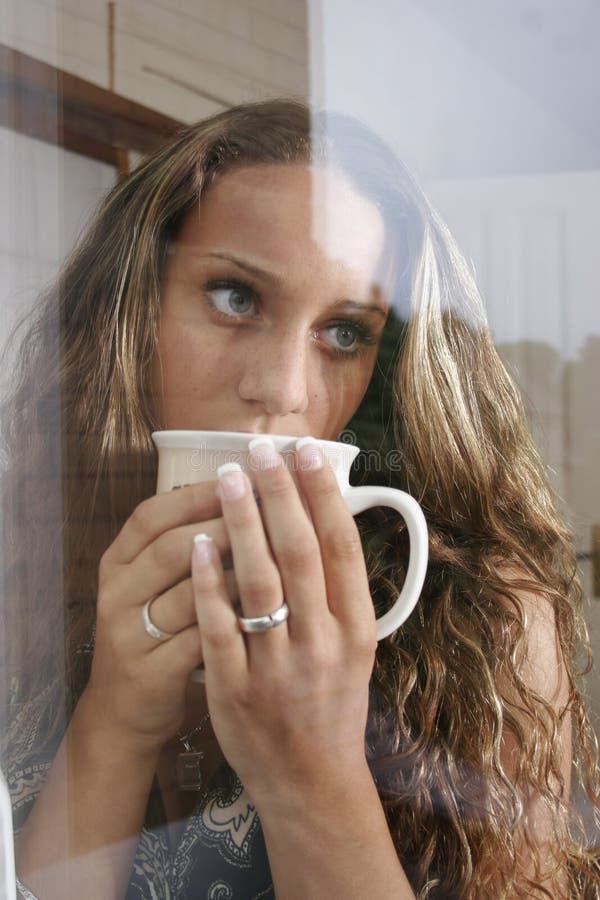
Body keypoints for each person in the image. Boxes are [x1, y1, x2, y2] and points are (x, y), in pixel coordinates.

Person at [0, 99, 598, 900]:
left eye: (345, 333)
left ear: (389, 368)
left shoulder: (486, 619)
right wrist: (115, 719)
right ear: (131, 314)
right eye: (235, 297)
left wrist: (310, 771)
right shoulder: (27, 561)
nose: (280, 388)